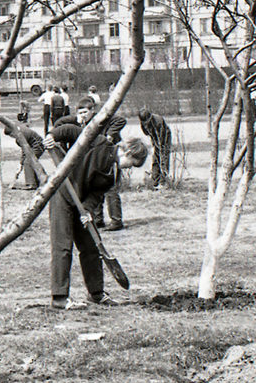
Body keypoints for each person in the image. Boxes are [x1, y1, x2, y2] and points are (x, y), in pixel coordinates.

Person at [42, 123, 147, 309]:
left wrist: (88, 211)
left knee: (91, 247)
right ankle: (59, 297)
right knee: (63, 246)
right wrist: (53, 135)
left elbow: (97, 194)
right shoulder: (99, 143)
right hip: (63, 194)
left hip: (81, 204)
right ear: (126, 152)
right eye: (130, 164)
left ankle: (96, 293)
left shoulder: (113, 175)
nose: (127, 168)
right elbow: (71, 130)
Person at [57, 97, 127, 230]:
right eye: (80, 112)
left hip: (112, 156)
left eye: (85, 112)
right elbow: (59, 123)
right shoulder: (81, 122)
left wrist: (110, 135)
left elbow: (121, 120)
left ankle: (116, 221)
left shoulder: (100, 118)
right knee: (95, 186)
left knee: (110, 189)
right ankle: (98, 219)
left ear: (92, 110)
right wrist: (76, 120)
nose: (83, 115)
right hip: (98, 159)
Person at [138, 106, 171, 188]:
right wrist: (154, 144)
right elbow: (147, 133)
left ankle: (163, 180)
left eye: (147, 122)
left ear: (150, 117)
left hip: (164, 136)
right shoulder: (143, 122)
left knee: (163, 156)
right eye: (144, 123)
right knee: (155, 159)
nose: (145, 124)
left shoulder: (158, 121)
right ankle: (155, 180)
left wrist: (158, 146)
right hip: (154, 137)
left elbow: (161, 138)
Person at [9, 123, 45, 190]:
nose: (12, 137)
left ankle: (31, 184)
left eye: (11, 135)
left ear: (13, 132)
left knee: (28, 162)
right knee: (32, 162)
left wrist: (21, 163)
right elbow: (25, 150)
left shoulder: (22, 135)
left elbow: (25, 150)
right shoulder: (20, 132)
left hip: (38, 146)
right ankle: (38, 181)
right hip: (33, 147)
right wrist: (21, 163)